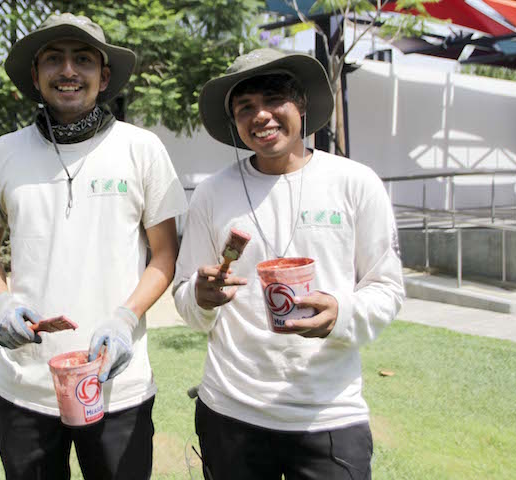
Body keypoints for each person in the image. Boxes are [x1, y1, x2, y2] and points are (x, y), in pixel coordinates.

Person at [0, 13, 187, 480]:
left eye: (82, 59)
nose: (68, 71)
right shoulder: (1, 154)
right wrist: (1, 304)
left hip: (116, 384)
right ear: (35, 75)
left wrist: (125, 319)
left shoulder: (141, 148)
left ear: (104, 77)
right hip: (25, 385)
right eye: (54, 59)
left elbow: (165, 254)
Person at [172, 48, 405, 480]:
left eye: (273, 99)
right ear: (235, 123)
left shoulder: (355, 183)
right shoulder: (212, 193)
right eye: (245, 108)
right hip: (231, 408)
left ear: (301, 105)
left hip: (328, 414)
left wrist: (341, 313)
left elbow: (387, 288)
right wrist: (200, 297)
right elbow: (186, 295)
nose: (260, 115)